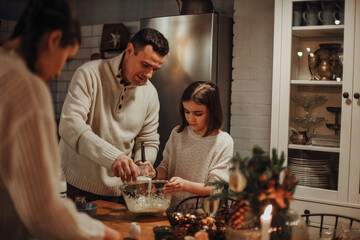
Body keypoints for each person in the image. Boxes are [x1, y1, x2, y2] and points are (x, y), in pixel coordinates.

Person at [0, 0, 121, 239]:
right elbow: (42, 210)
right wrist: (103, 234)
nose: (58, 73)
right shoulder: (26, 87)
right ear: (54, 39)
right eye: (66, 59)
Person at [58, 28, 169, 202]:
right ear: (130, 50)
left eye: (155, 69)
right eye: (146, 65)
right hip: (74, 186)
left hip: (119, 192)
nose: (148, 75)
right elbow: (70, 125)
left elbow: (148, 140)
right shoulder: (89, 73)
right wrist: (114, 157)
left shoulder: (150, 94)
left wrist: (142, 164)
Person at [152, 81, 234, 206]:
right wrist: (154, 173)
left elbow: (215, 188)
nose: (190, 118)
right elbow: (166, 168)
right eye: (186, 111)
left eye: (198, 113)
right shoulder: (178, 133)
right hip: (170, 209)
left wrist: (184, 185)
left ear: (212, 112)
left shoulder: (223, 141)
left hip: (202, 215)